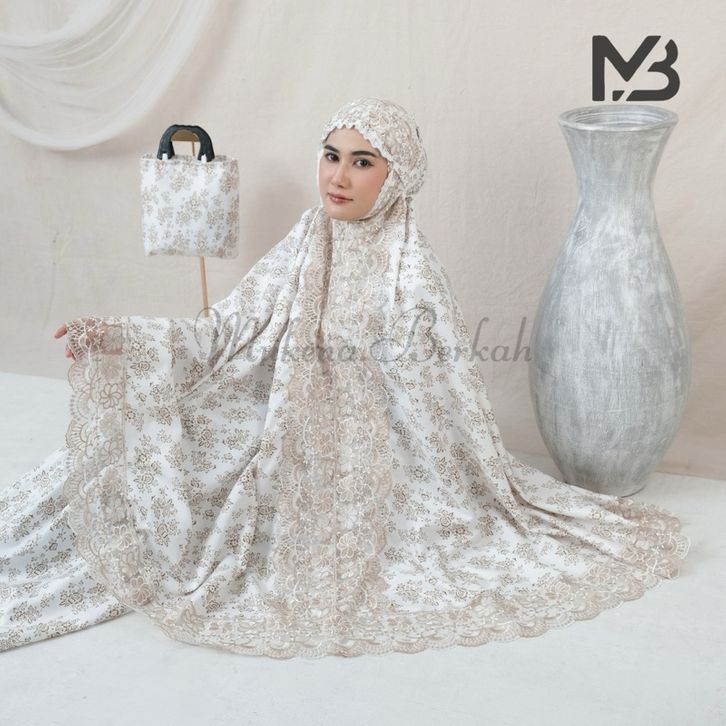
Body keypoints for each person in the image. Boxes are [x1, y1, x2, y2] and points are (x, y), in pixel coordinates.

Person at [1, 98, 690, 658]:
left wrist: (337, 430)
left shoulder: (410, 272)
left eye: (363, 163)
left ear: (397, 178)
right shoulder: (309, 237)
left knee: (204, 495)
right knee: (134, 460)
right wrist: (121, 336)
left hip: (359, 454)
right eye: (332, 156)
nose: (338, 176)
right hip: (265, 409)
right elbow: (228, 329)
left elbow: (438, 410)